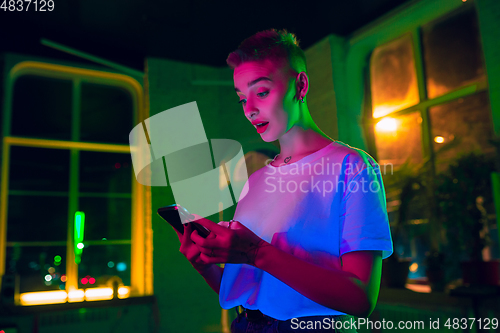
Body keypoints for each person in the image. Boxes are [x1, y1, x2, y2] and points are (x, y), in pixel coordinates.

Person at [174, 29, 393, 333]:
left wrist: (255, 252)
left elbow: (360, 299)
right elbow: (247, 293)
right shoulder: (258, 180)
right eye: (241, 99)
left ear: (300, 85)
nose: (249, 110)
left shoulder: (352, 167)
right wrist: (204, 262)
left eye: (261, 92)